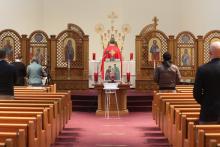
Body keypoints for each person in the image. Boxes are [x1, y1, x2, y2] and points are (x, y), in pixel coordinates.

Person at [193, 41, 220, 124]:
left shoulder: (202, 69)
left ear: (209, 53)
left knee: (205, 135)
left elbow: (196, 93)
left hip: (208, 112)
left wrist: (205, 102)